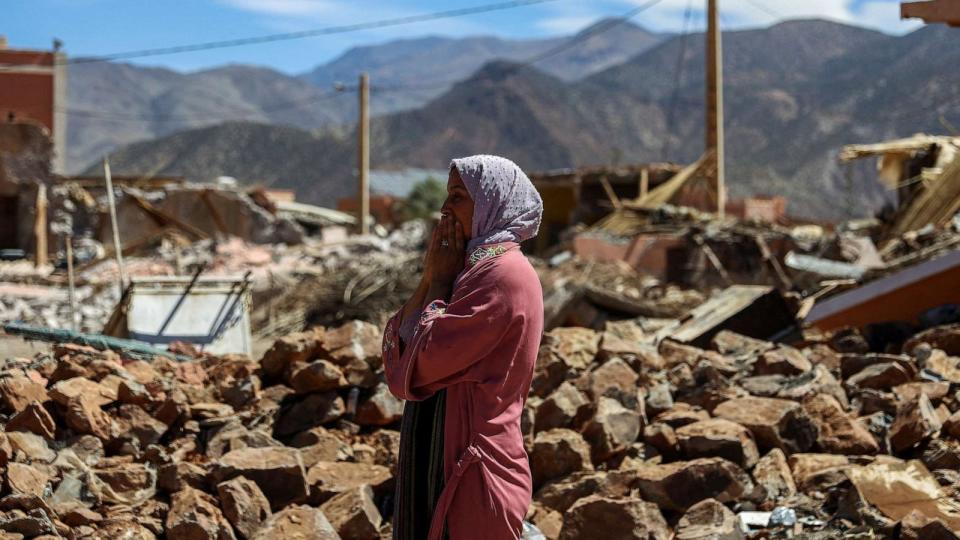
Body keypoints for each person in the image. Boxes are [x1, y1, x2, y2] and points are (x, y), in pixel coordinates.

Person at [382, 155, 545, 540]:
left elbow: (418, 366)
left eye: (457, 196)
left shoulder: (501, 275)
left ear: (491, 202)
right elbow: (400, 356)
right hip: (443, 457)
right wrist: (431, 277)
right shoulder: (470, 271)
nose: (444, 209)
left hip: (471, 472)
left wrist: (437, 284)